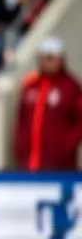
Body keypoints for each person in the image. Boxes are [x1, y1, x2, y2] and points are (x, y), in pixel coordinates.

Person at [13, 37, 82, 171]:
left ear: (61, 59)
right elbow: (21, 120)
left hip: (60, 166)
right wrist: (19, 147)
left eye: (52, 57)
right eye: (45, 57)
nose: (48, 62)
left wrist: (67, 145)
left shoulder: (70, 87)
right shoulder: (31, 85)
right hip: (29, 163)